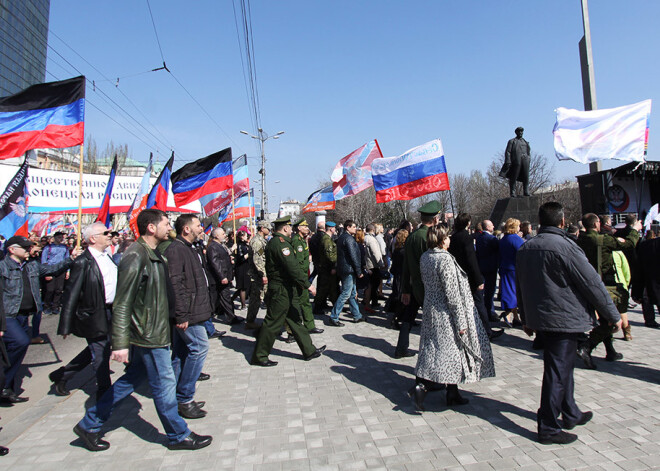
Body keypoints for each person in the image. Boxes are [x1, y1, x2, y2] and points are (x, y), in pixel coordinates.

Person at [74, 209, 212, 452]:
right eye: (166, 224)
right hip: (149, 333)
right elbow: (122, 302)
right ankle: (178, 434)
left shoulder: (152, 252)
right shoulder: (135, 256)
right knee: (165, 384)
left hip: (156, 329)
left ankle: (90, 423)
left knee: (132, 380)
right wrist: (119, 344)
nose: (170, 228)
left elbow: (172, 250)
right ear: (151, 228)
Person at [516, 202, 621, 445]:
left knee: (563, 368)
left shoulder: (526, 247)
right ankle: (549, 427)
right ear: (562, 222)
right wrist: (613, 315)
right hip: (563, 318)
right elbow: (592, 283)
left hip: (543, 318)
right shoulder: (565, 247)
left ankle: (570, 412)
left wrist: (525, 317)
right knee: (557, 372)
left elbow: (521, 285)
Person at [409, 226, 495, 411]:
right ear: (441, 239)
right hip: (445, 314)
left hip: (431, 310)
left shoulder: (426, 257)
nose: (449, 239)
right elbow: (452, 294)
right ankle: (422, 388)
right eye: (447, 236)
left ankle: (452, 392)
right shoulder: (444, 259)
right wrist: (461, 322)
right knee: (448, 353)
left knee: (434, 350)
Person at [0, 236, 79, 404]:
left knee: (11, 351)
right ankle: (4, 385)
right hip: (7, 315)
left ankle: (7, 390)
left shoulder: (31, 266)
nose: (29, 250)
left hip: (23, 315)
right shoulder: (2, 267)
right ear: (12, 249)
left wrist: (70, 259)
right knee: (20, 342)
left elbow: (52, 269)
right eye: (25, 248)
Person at [51, 223, 117, 399]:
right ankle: (104, 391)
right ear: (93, 238)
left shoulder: (106, 256)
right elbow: (71, 294)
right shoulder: (82, 262)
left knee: (98, 349)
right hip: (93, 313)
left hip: (110, 311)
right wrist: (65, 325)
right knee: (100, 352)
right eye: (106, 233)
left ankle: (63, 375)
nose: (110, 235)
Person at [250, 216, 325, 367]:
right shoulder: (280, 244)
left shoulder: (279, 242)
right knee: (272, 323)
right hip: (280, 290)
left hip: (286, 289)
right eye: (290, 227)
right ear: (285, 228)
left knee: (295, 320)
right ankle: (260, 355)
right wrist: (308, 285)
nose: (292, 229)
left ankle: (309, 350)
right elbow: (292, 267)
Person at [161, 214, 213, 420]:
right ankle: (184, 397)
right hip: (187, 314)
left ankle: (173, 397)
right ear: (186, 230)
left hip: (193, 310)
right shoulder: (176, 250)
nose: (201, 229)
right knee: (200, 348)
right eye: (198, 226)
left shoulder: (188, 248)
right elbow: (176, 285)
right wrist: (181, 314)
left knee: (181, 354)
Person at [576, 213, 640, 368]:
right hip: (604, 284)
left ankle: (610, 350)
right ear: (596, 224)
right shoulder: (602, 240)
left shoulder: (580, 240)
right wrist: (635, 230)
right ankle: (587, 346)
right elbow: (628, 244)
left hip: (587, 284)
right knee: (613, 320)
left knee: (605, 318)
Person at [395, 201, 442, 359]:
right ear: (435, 219)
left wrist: (406, 290)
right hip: (428, 286)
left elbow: (406, 265)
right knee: (434, 320)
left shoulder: (412, 236)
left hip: (414, 284)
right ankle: (434, 351)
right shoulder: (429, 236)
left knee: (408, 317)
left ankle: (401, 347)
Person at [448, 213, 502, 340]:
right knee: (479, 303)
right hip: (469, 276)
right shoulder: (465, 237)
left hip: (459, 275)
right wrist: (478, 280)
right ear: (468, 223)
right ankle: (487, 330)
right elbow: (471, 259)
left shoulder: (454, 236)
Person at [291, 219, 323, 335]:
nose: (307, 228)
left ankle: (310, 325)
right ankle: (292, 331)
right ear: (299, 228)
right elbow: (298, 263)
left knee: (305, 302)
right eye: (304, 226)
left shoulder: (302, 240)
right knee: (296, 304)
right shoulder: (296, 241)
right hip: (300, 277)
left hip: (304, 275)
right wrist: (303, 280)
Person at [330, 220, 364, 326]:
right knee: (346, 293)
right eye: (353, 227)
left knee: (352, 293)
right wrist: (359, 271)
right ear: (347, 228)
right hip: (348, 270)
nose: (355, 229)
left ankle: (357, 315)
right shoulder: (348, 239)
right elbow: (353, 256)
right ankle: (334, 316)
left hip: (346, 269)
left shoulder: (342, 237)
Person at [207, 227, 239, 326]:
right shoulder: (213, 247)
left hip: (223, 277)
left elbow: (220, 259)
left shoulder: (219, 245)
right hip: (218, 278)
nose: (225, 235)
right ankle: (228, 318)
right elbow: (215, 263)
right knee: (218, 299)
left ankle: (229, 316)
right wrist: (222, 276)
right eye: (223, 234)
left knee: (224, 298)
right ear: (216, 236)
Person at [498, 218, 525, 327]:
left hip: (505, 267)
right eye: (518, 226)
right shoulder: (516, 239)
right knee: (515, 293)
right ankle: (509, 314)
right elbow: (522, 253)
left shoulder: (504, 239)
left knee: (509, 291)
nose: (519, 228)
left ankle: (515, 317)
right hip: (515, 269)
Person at [633, 228, 660, 328]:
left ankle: (649, 320)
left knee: (646, 299)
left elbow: (638, 266)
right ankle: (650, 320)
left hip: (646, 278)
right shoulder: (647, 245)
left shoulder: (644, 245)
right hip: (651, 278)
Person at [245, 221, 270, 329]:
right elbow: (257, 259)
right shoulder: (257, 242)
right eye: (267, 228)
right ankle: (250, 321)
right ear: (262, 228)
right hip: (258, 276)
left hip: (260, 275)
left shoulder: (262, 241)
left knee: (260, 299)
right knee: (257, 299)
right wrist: (263, 274)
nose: (269, 230)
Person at [475, 220, 500, 323]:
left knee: (483, 292)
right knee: (490, 291)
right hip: (491, 268)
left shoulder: (479, 238)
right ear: (488, 227)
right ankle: (489, 312)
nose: (494, 226)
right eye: (492, 224)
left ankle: (485, 311)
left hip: (481, 267)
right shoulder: (492, 239)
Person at [40, 231, 70, 315]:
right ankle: (47, 305)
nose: (61, 239)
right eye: (59, 237)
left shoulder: (65, 248)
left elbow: (67, 259)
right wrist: (46, 273)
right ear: (54, 238)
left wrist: (67, 271)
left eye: (62, 237)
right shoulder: (48, 247)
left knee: (59, 289)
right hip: (50, 269)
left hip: (61, 270)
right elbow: (44, 260)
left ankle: (55, 306)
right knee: (50, 289)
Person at [312, 221, 338, 315]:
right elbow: (330, 256)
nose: (335, 229)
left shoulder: (327, 238)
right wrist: (335, 264)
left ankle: (335, 306)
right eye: (334, 228)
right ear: (331, 228)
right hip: (327, 268)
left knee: (331, 288)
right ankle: (317, 308)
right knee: (323, 289)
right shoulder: (327, 240)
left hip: (326, 267)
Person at [385, 229, 408, 329]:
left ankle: (398, 317)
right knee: (400, 298)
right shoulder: (403, 251)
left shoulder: (397, 250)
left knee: (398, 296)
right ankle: (396, 318)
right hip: (401, 276)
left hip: (397, 275)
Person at [500, 126, 531, 197]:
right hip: (516, 161)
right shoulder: (512, 141)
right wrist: (508, 161)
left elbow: (528, 152)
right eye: (519, 131)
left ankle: (526, 191)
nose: (520, 133)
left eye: (522, 131)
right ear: (516, 132)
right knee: (514, 177)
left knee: (526, 177)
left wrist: (528, 159)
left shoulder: (525, 142)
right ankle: (512, 192)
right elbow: (508, 152)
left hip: (525, 161)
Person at [232, 230, 251, 311]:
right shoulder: (239, 245)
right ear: (242, 237)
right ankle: (243, 305)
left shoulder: (244, 244)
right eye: (246, 235)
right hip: (241, 268)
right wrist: (248, 254)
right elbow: (241, 258)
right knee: (242, 287)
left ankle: (230, 300)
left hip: (246, 267)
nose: (247, 237)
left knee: (244, 286)